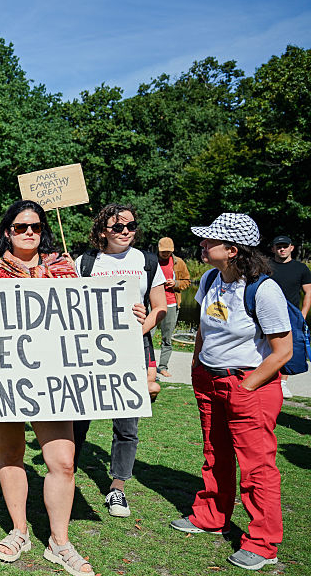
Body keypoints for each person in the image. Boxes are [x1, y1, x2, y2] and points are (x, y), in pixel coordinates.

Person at [0, 200, 93, 575]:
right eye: (21, 226)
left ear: (44, 230)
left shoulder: (63, 268)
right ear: (7, 230)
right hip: (5, 380)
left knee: (63, 462)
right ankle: (19, 530)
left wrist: (126, 313)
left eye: (36, 227)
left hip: (55, 380)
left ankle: (60, 542)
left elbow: (91, 314)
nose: (29, 232)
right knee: (11, 454)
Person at [170, 213, 290, 571]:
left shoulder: (263, 289)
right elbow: (205, 330)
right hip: (209, 380)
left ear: (233, 250)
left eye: (210, 241)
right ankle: (210, 516)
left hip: (248, 384)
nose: (202, 245)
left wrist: (247, 385)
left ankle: (263, 543)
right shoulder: (210, 279)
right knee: (214, 452)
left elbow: (282, 351)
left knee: (257, 468)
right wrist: (197, 365)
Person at [73, 204, 167, 519]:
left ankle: (117, 488)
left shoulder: (147, 261)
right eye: (117, 227)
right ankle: (65, 476)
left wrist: (142, 325)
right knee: (77, 416)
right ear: (102, 231)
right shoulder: (85, 262)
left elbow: (160, 307)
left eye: (131, 226)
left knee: (127, 421)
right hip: (90, 349)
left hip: (132, 347)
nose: (125, 232)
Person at [267, 234, 310, 399]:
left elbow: (308, 292)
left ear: (292, 248)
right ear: (273, 249)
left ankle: (283, 383)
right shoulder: (266, 267)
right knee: (266, 345)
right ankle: (268, 378)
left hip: (291, 313)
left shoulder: (301, 269)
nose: (282, 249)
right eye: (278, 247)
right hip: (268, 311)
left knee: (287, 348)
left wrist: (303, 315)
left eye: (285, 246)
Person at [156, 237, 191, 379]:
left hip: (171, 304)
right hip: (153, 304)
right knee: (147, 336)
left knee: (167, 338)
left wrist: (175, 283)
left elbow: (187, 281)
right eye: (163, 252)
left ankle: (163, 367)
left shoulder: (178, 262)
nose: (165, 254)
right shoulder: (152, 261)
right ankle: (147, 366)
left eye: (168, 252)